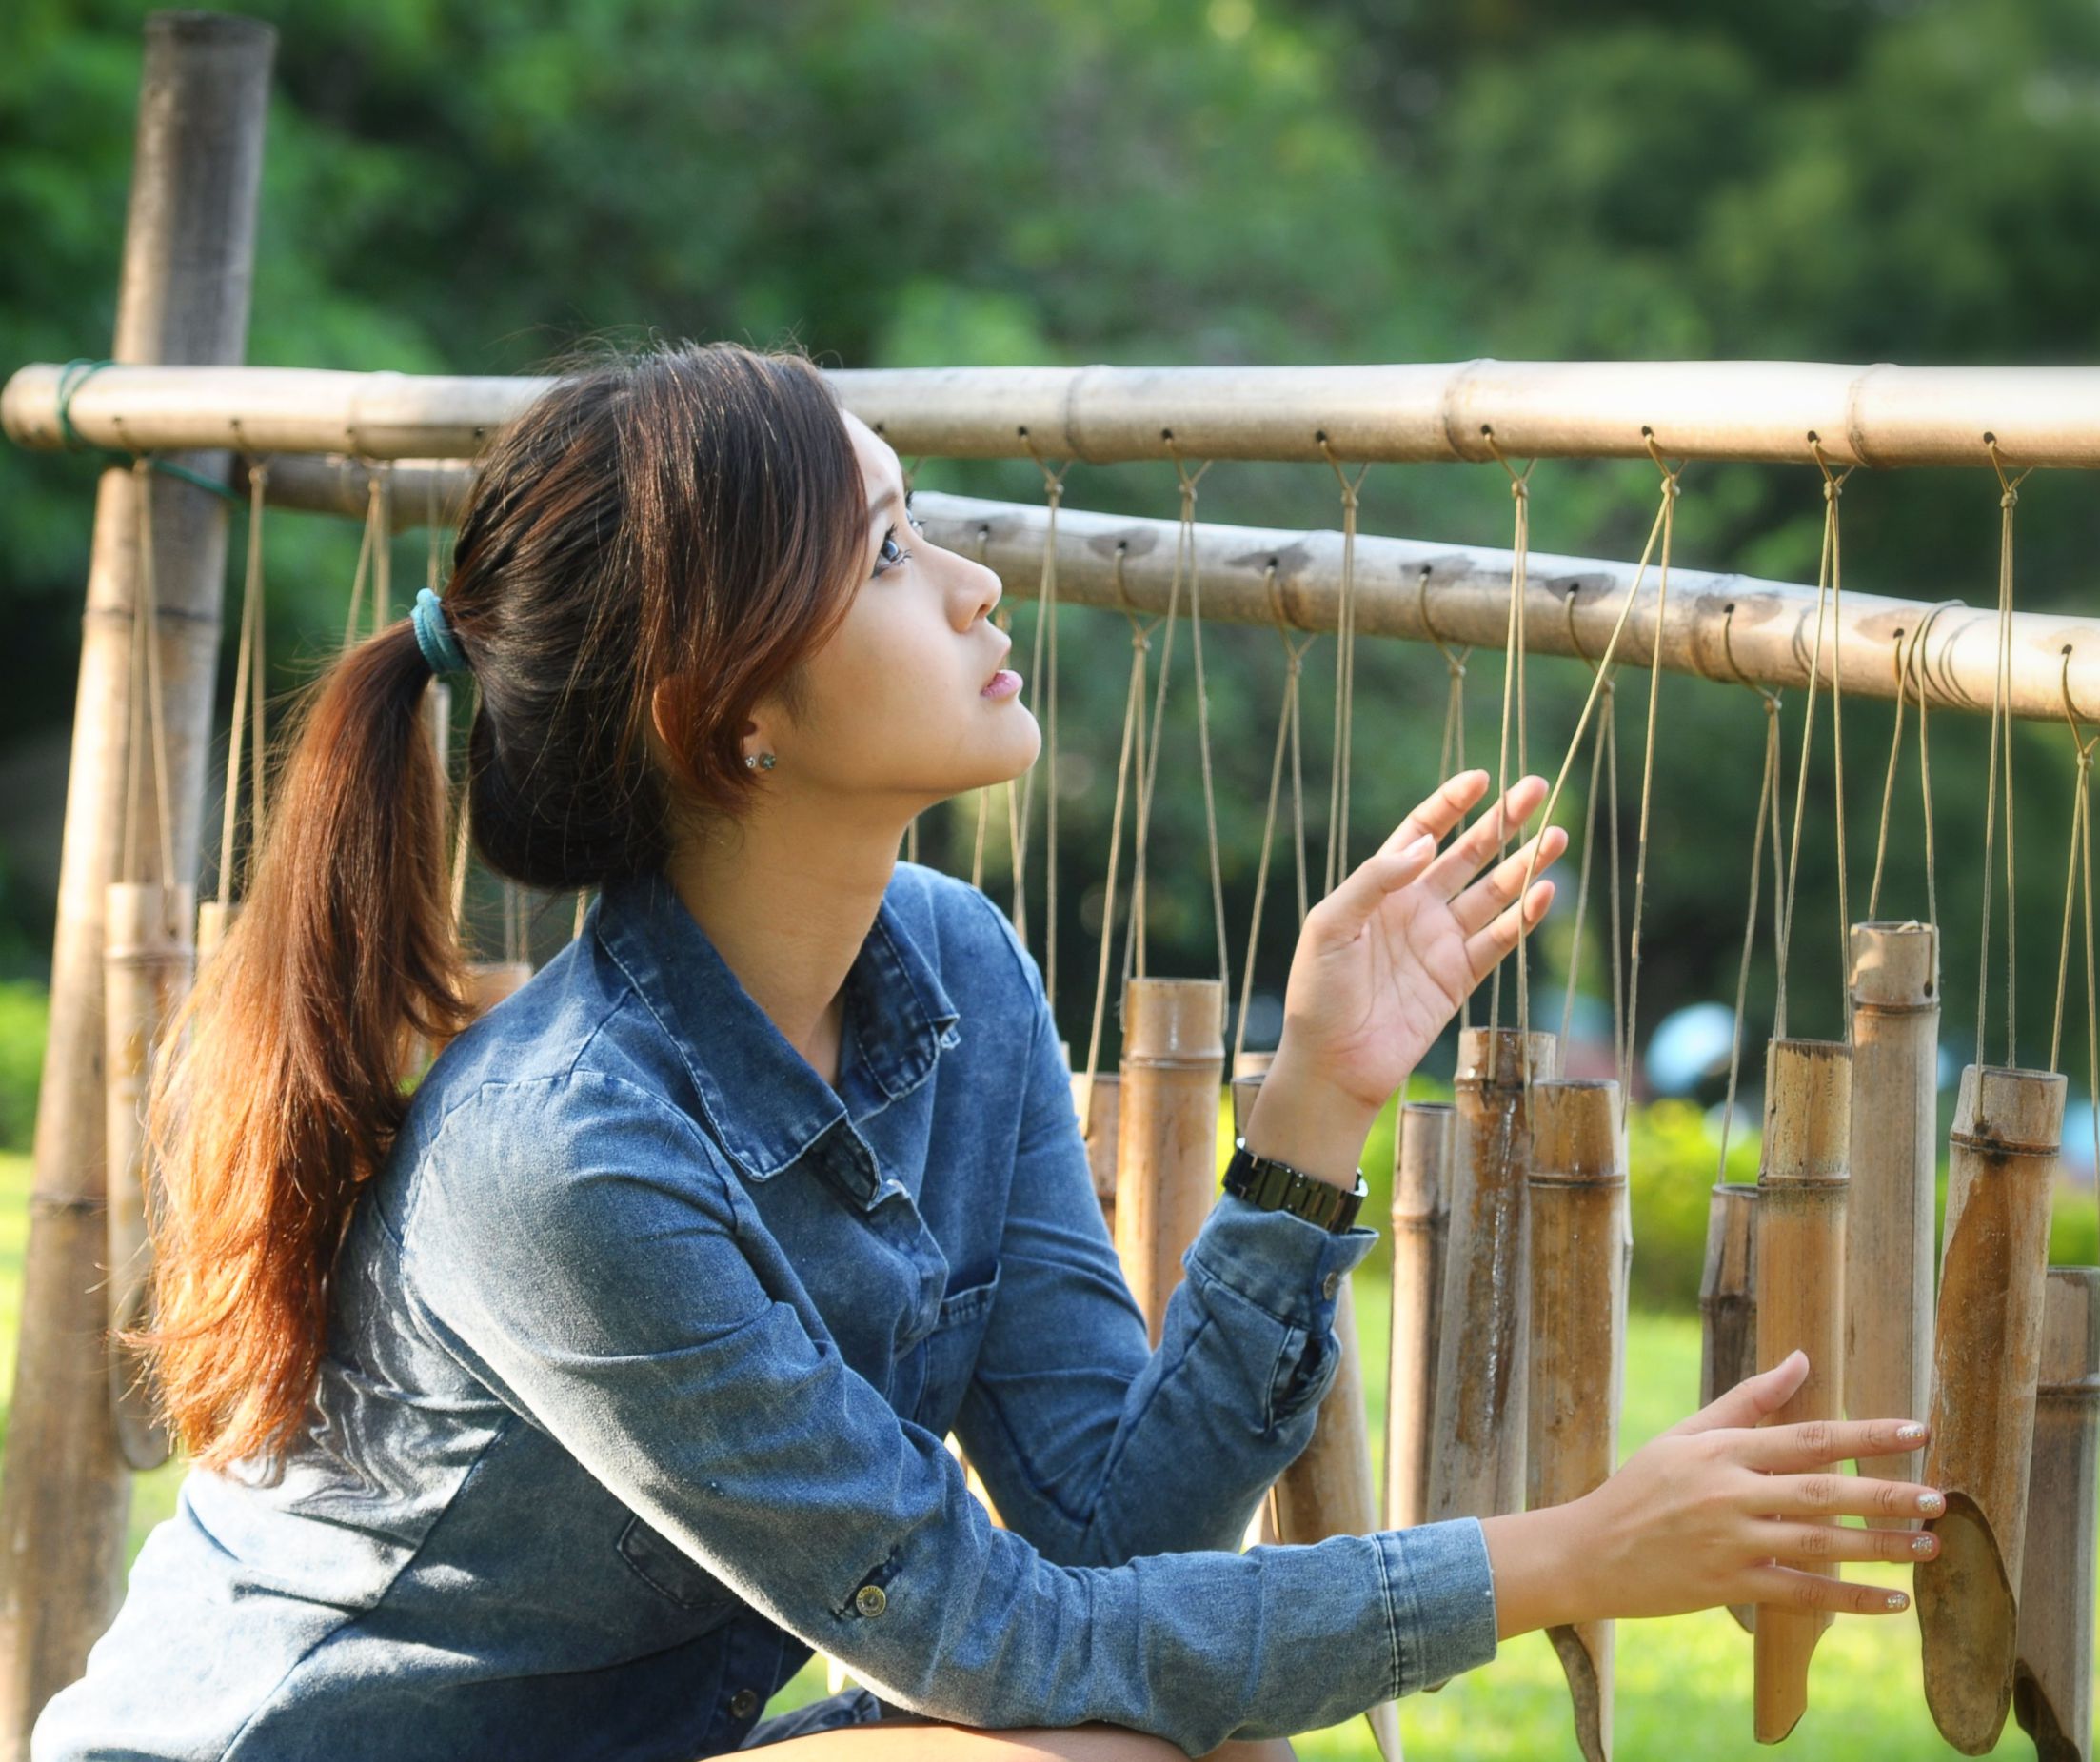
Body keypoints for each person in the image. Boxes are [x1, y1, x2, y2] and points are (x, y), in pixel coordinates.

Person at [33, 340, 1939, 1762]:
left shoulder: (944, 962)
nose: (973, 584)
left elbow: (1108, 1532)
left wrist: (1315, 1104)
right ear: (736, 710)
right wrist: (1565, 1553)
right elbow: (997, 1636)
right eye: (883, 553)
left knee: (1171, 1718)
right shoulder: (571, 1156)